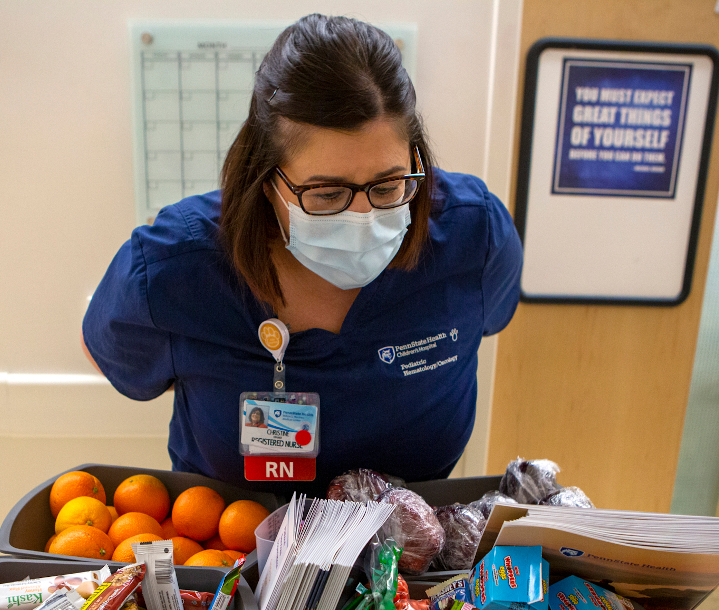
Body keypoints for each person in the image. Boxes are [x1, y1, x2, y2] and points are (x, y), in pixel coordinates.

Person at [83, 14, 522, 497]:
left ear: (416, 160)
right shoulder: (177, 266)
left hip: (412, 555)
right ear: (265, 178)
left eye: (387, 184)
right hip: (233, 553)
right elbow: (108, 347)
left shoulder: (472, 235)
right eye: (327, 194)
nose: (363, 215)